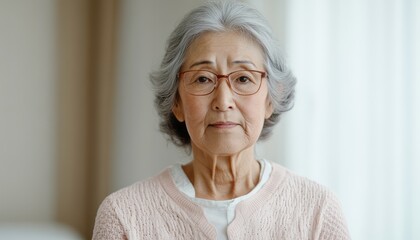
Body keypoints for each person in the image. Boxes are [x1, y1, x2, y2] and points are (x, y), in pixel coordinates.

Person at [92, 1, 351, 239]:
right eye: (203, 78)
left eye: (243, 78)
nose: (223, 100)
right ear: (177, 102)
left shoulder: (318, 210)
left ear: (270, 100)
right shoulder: (123, 216)